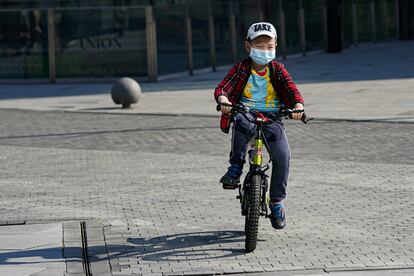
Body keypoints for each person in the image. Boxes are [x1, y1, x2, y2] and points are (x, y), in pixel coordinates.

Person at [214, 22, 305, 229]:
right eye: (259, 45)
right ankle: (235, 168)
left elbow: (292, 91)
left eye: (269, 46)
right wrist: (224, 101)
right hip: (246, 113)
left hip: (272, 117)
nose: (265, 50)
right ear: (248, 46)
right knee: (241, 125)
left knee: (283, 156)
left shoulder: (278, 70)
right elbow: (223, 88)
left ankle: (277, 203)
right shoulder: (241, 68)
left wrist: (298, 106)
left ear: (276, 46)